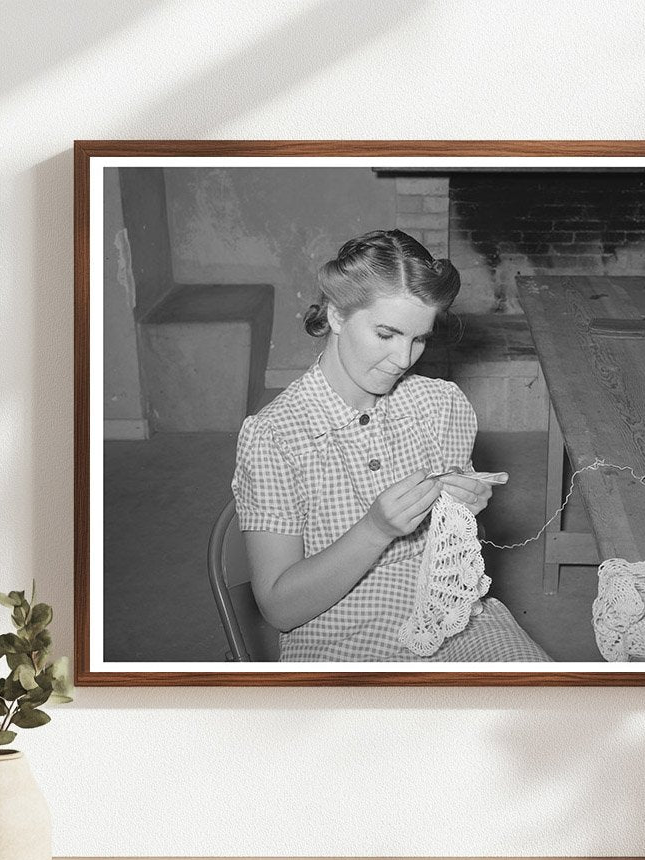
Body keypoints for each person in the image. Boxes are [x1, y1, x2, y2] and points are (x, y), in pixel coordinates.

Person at [231, 228, 551, 662]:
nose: (404, 359)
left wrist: (465, 506)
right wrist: (374, 530)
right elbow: (280, 609)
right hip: (335, 635)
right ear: (338, 316)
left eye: (419, 339)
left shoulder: (441, 405)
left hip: (453, 618)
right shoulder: (273, 436)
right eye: (386, 334)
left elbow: (453, 558)